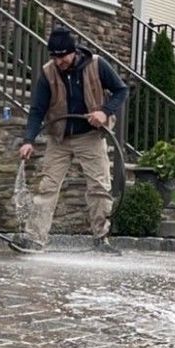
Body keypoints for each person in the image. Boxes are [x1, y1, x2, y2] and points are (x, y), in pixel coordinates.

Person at [13, 27, 128, 253]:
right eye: (54, 56)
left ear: (73, 51)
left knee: (99, 187)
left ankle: (101, 239)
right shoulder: (48, 73)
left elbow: (121, 91)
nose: (59, 61)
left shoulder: (97, 65)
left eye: (62, 56)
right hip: (59, 138)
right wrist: (28, 140)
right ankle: (35, 239)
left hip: (91, 136)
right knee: (47, 186)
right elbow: (37, 110)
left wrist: (104, 111)